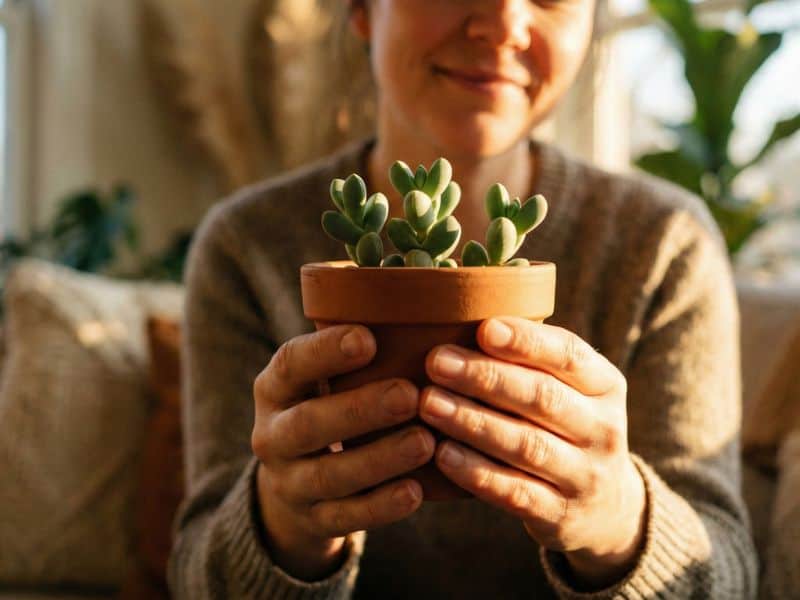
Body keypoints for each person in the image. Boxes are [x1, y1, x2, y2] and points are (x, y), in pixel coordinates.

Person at [168, 0, 758, 597]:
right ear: (363, 11)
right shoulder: (247, 245)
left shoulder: (663, 244)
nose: (503, 24)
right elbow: (196, 575)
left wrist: (620, 523)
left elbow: (728, 572)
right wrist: (281, 525)